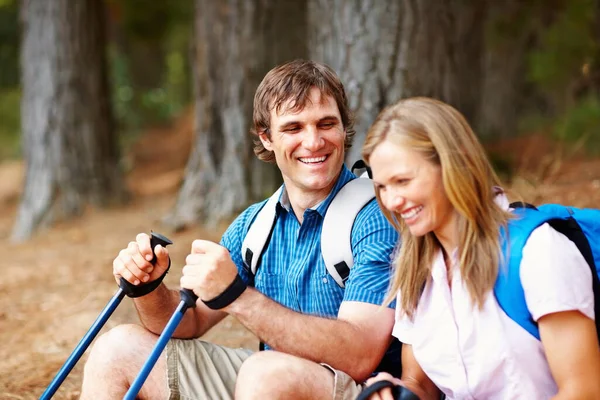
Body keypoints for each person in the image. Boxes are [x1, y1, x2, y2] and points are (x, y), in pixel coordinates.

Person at [80, 59, 399, 400]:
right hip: (267, 382)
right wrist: (148, 287)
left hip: (365, 389)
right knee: (117, 349)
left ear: (343, 128)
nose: (314, 141)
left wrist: (237, 296)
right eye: (293, 128)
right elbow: (189, 322)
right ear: (267, 137)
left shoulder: (377, 216)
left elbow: (360, 354)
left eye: (326, 124)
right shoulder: (254, 225)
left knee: (265, 371)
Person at [359, 97, 600, 400]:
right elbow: (420, 385)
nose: (392, 201)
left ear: (454, 163)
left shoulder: (537, 252)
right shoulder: (416, 270)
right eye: (382, 186)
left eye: (403, 181)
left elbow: (584, 391)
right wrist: (392, 392)